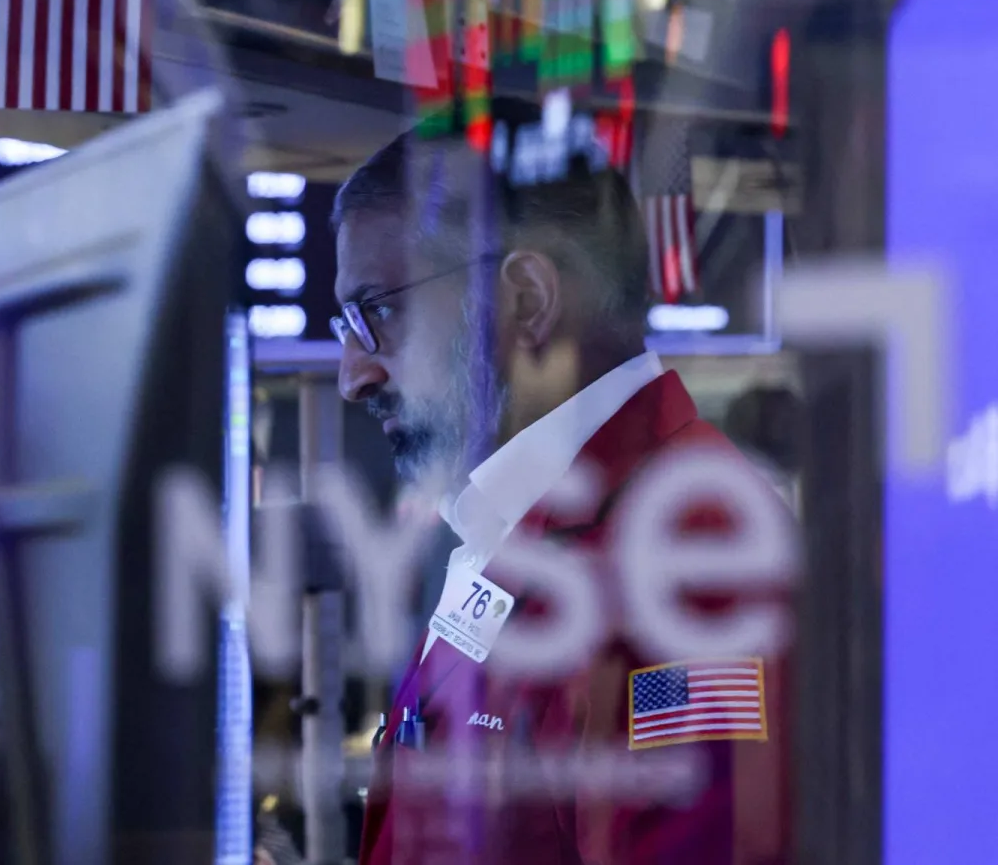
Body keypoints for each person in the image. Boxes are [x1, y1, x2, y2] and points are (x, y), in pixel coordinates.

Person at [332, 127, 794, 864]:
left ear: (527, 300)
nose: (352, 374)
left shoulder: (690, 552)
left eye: (375, 313)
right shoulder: (519, 524)